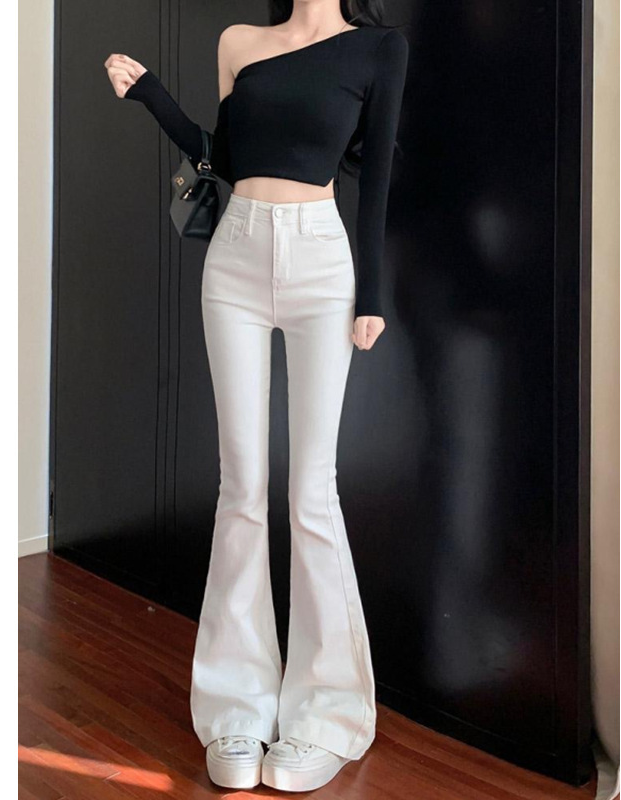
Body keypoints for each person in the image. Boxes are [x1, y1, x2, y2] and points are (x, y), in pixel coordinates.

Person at [104, 1, 408, 792]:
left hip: (321, 263)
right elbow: (225, 157)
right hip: (235, 259)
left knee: (312, 493)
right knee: (240, 489)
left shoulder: (379, 50)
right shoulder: (240, 42)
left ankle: (327, 717)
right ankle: (236, 712)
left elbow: (377, 177)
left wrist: (373, 294)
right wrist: (152, 95)